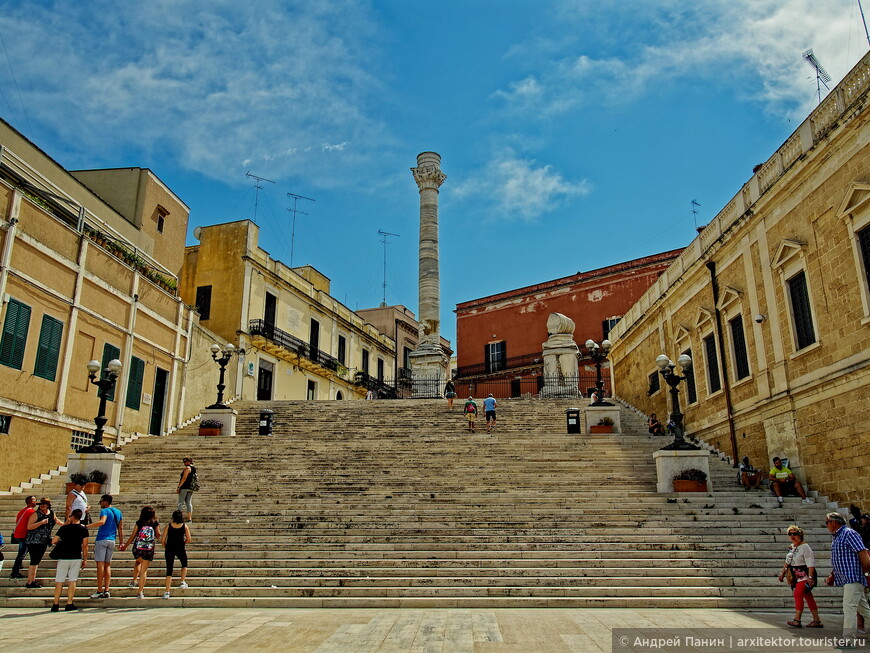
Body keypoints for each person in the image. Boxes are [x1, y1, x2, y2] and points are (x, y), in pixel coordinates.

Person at [824, 512, 870, 645]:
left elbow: (862, 553)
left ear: (834, 522)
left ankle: (849, 639)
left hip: (853, 576)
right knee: (863, 609)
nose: (826, 525)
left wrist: (866, 573)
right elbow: (839, 559)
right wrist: (833, 575)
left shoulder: (849, 534)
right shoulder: (837, 537)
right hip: (846, 577)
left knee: (848, 607)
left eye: (827, 522)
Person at [778, 525, 822, 628]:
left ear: (800, 535)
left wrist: (810, 578)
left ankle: (797, 620)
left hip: (805, 575)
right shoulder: (792, 547)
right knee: (808, 596)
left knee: (798, 594)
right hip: (796, 576)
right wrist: (782, 573)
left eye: (795, 534)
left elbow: (810, 563)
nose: (792, 536)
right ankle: (817, 620)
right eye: (790, 534)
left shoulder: (805, 547)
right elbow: (787, 562)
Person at [49, 508, 89, 612]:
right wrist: (85, 559)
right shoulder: (83, 529)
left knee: (59, 580)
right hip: (75, 556)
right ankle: (69, 603)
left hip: (63, 556)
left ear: (73, 517)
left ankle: (55, 603)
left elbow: (54, 540)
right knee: (72, 580)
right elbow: (85, 546)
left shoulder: (64, 528)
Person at [120, 506, 161, 599]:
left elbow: (133, 536)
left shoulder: (139, 522)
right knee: (144, 570)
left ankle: (134, 580)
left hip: (138, 547)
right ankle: (140, 592)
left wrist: (125, 546)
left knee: (138, 562)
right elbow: (158, 535)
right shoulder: (155, 523)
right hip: (149, 549)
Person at [87, 494, 123, 599]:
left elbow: (102, 521)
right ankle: (107, 589)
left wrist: (87, 526)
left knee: (100, 565)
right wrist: (121, 542)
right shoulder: (118, 512)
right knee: (107, 565)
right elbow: (120, 529)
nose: (100, 503)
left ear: (106, 502)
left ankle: (99, 590)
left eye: (101, 501)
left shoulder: (105, 511)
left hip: (102, 539)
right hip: (112, 540)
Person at [24, 497, 56, 589]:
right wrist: (41, 522)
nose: (42, 506)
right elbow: (29, 527)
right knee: (34, 560)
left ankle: (31, 580)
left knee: (36, 561)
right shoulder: (36, 514)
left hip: (44, 541)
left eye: (44, 504)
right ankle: (30, 581)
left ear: (48, 505)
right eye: (40, 504)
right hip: (34, 540)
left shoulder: (51, 513)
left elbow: (57, 521)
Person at [161, 510, 192, 599]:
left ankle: (167, 591)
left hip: (170, 548)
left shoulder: (168, 526)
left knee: (169, 569)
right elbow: (189, 539)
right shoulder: (184, 526)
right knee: (184, 563)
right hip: (180, 548)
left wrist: (165, 546)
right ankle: (182, 581)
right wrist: (183, 543)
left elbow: (163, 540)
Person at [9, 495, 36, 579]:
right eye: (35, 500)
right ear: (31, 502)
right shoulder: (31, 512)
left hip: (18, 534)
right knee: (21, 554)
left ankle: (18, 567)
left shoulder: (22, 511)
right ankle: (15, 572)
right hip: (24, 535)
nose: (36, 502)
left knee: (21, 552)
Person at [176, 456, 197, 523]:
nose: (184, 463)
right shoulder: (194, 468)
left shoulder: (187, 468)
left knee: (180, 503)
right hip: (190, 488)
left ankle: (178, 518)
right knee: (188, 502)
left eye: (185, 461)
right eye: (184, 461)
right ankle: (189, 519)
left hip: (184, 487)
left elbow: (184, 478)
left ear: (189, 461)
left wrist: (179, 486)